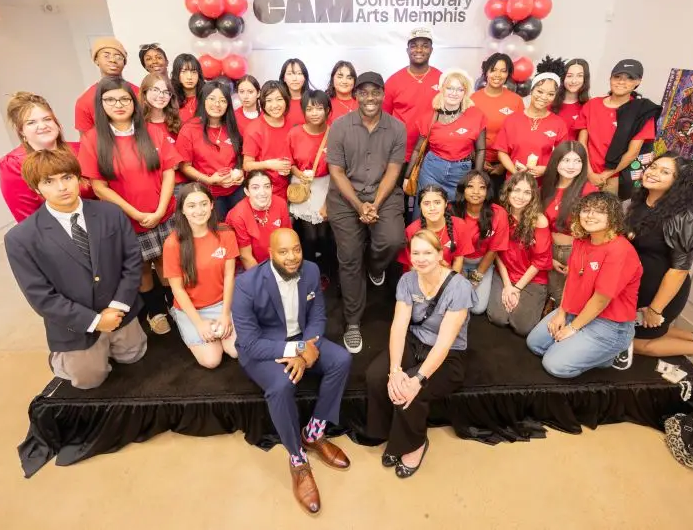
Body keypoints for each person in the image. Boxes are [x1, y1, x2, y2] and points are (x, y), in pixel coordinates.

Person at [231, 228, 352, 515]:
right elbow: (249, 343)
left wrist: (308, 346)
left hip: (301, 340)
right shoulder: (246, 285)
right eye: (283, 251)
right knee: (282, 387)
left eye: (296, 249)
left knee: (342, 360)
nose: (292, 256)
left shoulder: (310, 270)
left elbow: (318, 314)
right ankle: (297, 458)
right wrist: (298, 351)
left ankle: (314, 431)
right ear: (270, 253)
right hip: (265, 349)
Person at [4, 148, 147, 389]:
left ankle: (112, 340)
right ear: (36, 189)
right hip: (75, 323)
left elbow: (132, 261)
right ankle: (62, 358)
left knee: (134, 355)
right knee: (89, 380)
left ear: (79, 179)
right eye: (49, 182)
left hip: (119, 309)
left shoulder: (110, 213)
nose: (62, 188)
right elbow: (41, 297)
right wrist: (94, 321)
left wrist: (117, 307)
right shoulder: (21, 238)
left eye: (67, 177)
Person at [365, 230, 475, 478]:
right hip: (415, 342)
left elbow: (444, 343)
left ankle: (414, 444)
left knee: (410, 391)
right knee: (375, 375)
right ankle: (390, 435)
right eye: (416, 253)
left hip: (448, 354)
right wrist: (394, 371)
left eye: (427, 253)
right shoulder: (407, 281)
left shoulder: (459, 288)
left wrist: (417, 380)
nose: (421, 258)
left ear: (440, 255)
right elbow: (399, 326)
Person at [77, 78, 182, 336]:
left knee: (167, 263)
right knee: (141, 268)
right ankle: (155, 311)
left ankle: (176, 306)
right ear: (101, 105)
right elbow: (99, 187)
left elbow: (169, 172)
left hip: (162, 212)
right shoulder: (93, 140)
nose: (119, 104)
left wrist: (159, 210)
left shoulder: (151, 131)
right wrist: (135, 213)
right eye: (110, 99)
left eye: (124, 99)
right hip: (125, 220)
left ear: (134, 102)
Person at [616, 152, 693, 376]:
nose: (654, 173)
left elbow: (679, 270)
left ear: (678, 183)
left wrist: (656, 309)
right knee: (625, 331)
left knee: (637, 343)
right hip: (631, 288)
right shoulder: (636, 203)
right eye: (654, 167)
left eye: (665, 172)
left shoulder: (684, 218)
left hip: (661, 293)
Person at [327, 71, 407, 354]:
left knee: (393, 239)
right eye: (364, 92)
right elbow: (335, 171)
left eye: (375, 92)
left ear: (383, 94)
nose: (370, 97)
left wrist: (374, 202)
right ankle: (352, 322)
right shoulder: (339, 126)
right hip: (345, 198)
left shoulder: (397, 128)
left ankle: (375, 265)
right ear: (356, 95)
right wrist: (360, 206)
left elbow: (395, 170)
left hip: (383, 194)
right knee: (349, 258)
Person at [526, 192, 642, 378]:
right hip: (576, 310)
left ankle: (611, 353)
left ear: (613, 216)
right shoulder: (581, 241)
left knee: (554, 365)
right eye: (586, 210)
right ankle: (585, 349)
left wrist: (573, 328)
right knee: (535, 344)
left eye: (599, 211)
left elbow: (600, 300)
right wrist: (562, 312)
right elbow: (572, 279)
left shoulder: (620, 250)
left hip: (610, 323)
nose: (590, 215)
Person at [163, 183, 239, 368]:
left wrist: (225, 314)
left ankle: (222, 328)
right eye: (192, 205)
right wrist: (199, 324)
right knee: (212, 360)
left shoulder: (226, 233)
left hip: (222, 303)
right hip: (192, 309)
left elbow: (230, 276)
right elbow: (177, 289)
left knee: (235, 351)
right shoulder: (173, 243)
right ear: (182, 209)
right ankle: (180, 319)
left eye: (204, 204)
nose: (199, 210)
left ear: (212, 205)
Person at [0, 91, 92, 223]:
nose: (42, 126)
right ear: (21, 131)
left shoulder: (80, 149)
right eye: (31, 123)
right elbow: (29, 220)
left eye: (47, 119)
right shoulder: (13, 164)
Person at [404, 69, 486, 217]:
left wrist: (476, 176)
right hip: (432, 170)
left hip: (461, 173)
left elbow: (481, 150)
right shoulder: (430, 116)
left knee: (454, 217)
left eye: (460, 89)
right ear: (442, 89)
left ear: (465, 92)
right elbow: (417, 150)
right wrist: (407, 177)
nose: (454, 93)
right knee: (423, 214)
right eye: (450, 88)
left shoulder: (476, 116)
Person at [577, 59, 661, 196]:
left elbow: (632, 153)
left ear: (638, 81)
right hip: (584, 172)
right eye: (617, 77)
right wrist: (589, 173)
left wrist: (605, 175)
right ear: (610, 77)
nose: (621, 82)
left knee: (604, 216)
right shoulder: (592, 105)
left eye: (629, 78)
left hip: (614, 178)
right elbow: (582, 143)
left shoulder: (642, 112)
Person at [488, 172, 552, 334]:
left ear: (533, 196)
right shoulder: (499, 214)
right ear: (508, 191)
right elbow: (496, 252)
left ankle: (540, 302)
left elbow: (540, 261)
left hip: (532, 277)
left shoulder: (539, 220)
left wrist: (516, 288)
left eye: (526, 192)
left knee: (522, 327)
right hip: (505, 273)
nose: (520, 197)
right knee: (498, 318)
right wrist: (508, 285)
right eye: (516, 190)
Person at [540, 141, 598, 307]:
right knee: (548, 294)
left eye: (578, 161)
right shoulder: (546, 188)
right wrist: (546, 256)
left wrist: (579, 260)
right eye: (566, 160)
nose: (572, 166)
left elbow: (593, 232)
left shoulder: (589, 191)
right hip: (547, 249)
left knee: (566, 300)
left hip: (574, 251)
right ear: (556, 161)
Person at [287, 90, 336, 284]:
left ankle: (325, 272)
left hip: (327, 185)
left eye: (319, 108)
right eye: (309, 109)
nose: (314, 113)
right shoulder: (295, 133)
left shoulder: (334, 133)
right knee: (309, 236)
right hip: (303, 186)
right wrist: (299, 174)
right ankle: (309, 274)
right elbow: (289, 162)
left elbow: (338, 168)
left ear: (327, 110)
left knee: (324, 235)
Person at [176, 81, 245, 217]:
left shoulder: (233, 127)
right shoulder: (189, 129)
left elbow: (241, 157)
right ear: (203, 100)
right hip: (207, 194)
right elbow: (185, 166)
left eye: (222, 100)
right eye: (212, 99)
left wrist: (241, 173)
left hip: (236, 191)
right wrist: (209, 180)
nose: (217, 104)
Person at [493, 68, 568, 181]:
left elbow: (564, 156)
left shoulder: (558, 123)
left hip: (543, 184)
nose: (544, 97)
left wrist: (546, 169)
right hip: (514, 183)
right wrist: (516, 174)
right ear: (531, 90)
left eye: (550, 94)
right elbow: (502, 152)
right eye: (540, 91)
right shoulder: (512, 120)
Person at [452, 170, 509, 315]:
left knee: (477, 308)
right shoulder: (451, 210)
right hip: (457, 261)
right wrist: (462, 276)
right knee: (456, 300)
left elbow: (493, 250)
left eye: (482, 187)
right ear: (462, 189)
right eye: (470, 186)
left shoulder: (499, 213)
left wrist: (476, 278)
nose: (476, 192)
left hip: (483, 263)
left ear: (488, 191)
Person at [384, 27, 443, 163]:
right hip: (400, 154)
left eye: (425, 46)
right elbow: (384, 118)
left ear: (431, 50)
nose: (419, 50)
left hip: (433, 154)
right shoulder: (393, 81)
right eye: (414, 46)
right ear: (407, 50)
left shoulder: (442, 79)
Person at [470, 54, 525, 195]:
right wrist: (477, 159)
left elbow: (519, 136)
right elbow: (467, 134)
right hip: (476, 163)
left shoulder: (516, 101)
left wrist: (503, 165)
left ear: (508, 74)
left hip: (506, 165)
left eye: (503, 70)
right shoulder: (472, 100)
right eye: (493, 69)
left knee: (501, 209)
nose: (498, 75)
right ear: (486, 72)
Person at [398, 184, 474, 273]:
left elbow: (458, 260)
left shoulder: (459, 224)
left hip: (448, 274)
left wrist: (450, 284)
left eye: (437, 202)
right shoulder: (411, 231)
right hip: (420, 277)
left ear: (446, 204)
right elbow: (412, 267)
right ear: (420, 206)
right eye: (426, 204)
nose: (432, 208)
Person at [225, 170, 292, 269]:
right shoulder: (238, 215)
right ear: (247, 192)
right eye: (255, 188)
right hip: (251, 267)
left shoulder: (280, 204)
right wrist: (263, 279)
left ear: (272, 188)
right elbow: (246, 257)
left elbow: (286, 238)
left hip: (277, 260)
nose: (263, 192)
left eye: (267, 186)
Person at [74, 37, 139, 133]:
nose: (113, 60)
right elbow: (85, 141)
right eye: (106, 56)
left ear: (124, 62)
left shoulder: (139, 93)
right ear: (96, 60)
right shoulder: (85, 101)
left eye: (118, 56)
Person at [243, 80, 295, 200]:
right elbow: (247, 165)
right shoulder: (254, 128)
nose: (275, 105)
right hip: (262, 191)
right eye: (269, 100)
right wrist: (270, 164)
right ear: (262, 103)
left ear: (286, 100)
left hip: (288, 189)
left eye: (279, 99)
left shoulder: (291, 125)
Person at [551, 58, 591, 140]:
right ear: (563, 78)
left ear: (585, 79)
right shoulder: (549, 103)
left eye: (579, 76)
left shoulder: (589, 106)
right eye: (569, 76)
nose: (573, 81)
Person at [139, 72, 183, 147]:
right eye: (155, 90)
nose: (161, 95)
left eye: (166, 92)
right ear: (144, 92)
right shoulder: (137, 123)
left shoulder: (177, 123)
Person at [171, 53, 204, 124]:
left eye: (194, 72)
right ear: (176, 74)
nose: (189, 77)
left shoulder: (207, 96)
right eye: (184, 72)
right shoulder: (170, 98)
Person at [280, 58, 313, 127]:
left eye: (299, 73)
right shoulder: (278, 101)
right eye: (289, 74)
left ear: (305, 77)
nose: (294, 78)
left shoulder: (314, 99)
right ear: (284, 78)